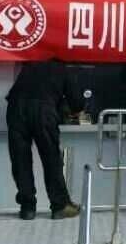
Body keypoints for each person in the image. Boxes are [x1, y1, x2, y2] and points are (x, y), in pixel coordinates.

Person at [6, 59, 84, 220]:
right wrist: (68, 108)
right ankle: (60, 205)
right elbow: (77, 103)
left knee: (20, 159)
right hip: (43, 111)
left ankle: (27, 207)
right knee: (51, 158)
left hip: (15, 108)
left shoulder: (31, 63)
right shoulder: (62, 68)